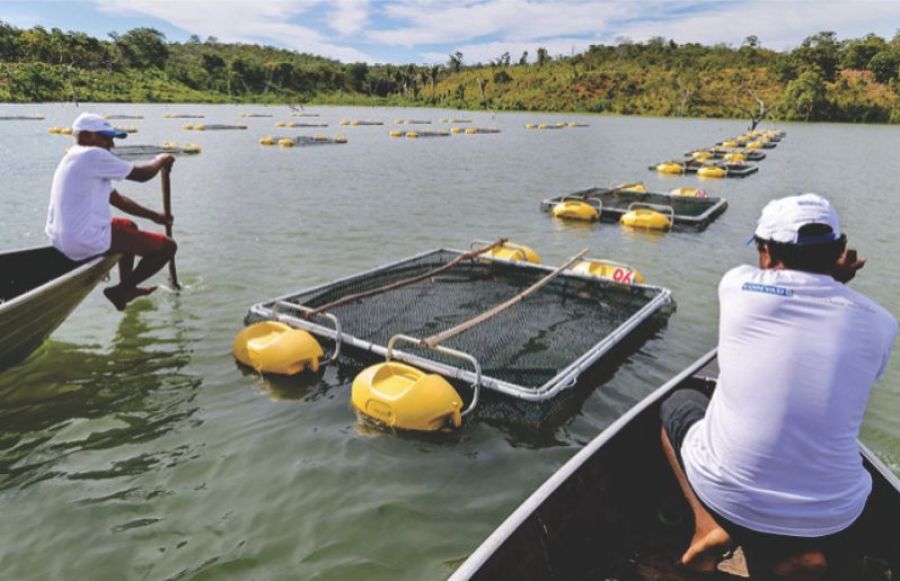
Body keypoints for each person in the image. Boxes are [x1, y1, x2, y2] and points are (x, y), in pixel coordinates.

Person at [660, 193, 897, 578]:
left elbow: (790, 289)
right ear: (839, 249)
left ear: (766, 252)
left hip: (728, 496)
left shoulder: (736, 287)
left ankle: (709, 524)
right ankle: (804, 551)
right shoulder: (881, 324)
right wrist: (835, 281)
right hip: (834, 516)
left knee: (678, 403)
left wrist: (830, 277)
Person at [45, 113, 177, 311]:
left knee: (127, 226)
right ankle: (123, 289)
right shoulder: (93, 155)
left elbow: (117, 200)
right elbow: (142, 175)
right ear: (87, 136)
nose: (112, 145)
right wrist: (160, 159)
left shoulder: (73, 157)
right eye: (107, 138)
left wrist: (155, 216)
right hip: (83, 239)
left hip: (62, 240)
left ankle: (127, 288)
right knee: (168, 247)